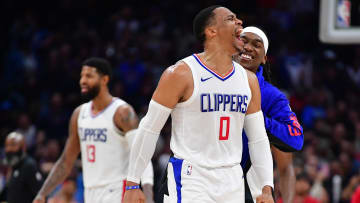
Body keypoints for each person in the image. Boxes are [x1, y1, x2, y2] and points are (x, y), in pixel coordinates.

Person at [124, 6, 274, 203]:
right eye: (230, 19)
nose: (239, 23)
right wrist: (133, 182)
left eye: (238, 19)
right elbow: (149, 128)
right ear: (211, 31)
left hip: (232, 180)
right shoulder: (180, 74)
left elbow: (258, 138)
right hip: (190, 178)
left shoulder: (249, 80)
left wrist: (266, 187)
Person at [33, 57, 154, 203]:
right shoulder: (79, 114)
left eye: (89, 76)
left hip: (117, 190)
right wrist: (43, 193)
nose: (82, 81)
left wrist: (148, 194)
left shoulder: (122, 112)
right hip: (90, 192)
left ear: (104, 79)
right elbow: (66, 161)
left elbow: (141, 155)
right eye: (82, 76)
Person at [233, 26, 304, 203]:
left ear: (264, 58)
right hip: (191, 176)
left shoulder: (271, 96)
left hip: (235, 185)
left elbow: (295, 138)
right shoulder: (205, 78)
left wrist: (256, 119)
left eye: (256, 44)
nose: (248, 47)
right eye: (244, 41)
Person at [0, 132, 43, 203]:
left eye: (13, 145)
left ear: (23, 147)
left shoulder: (29, 166)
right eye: (7, 145)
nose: (9, 149)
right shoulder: (13, 166)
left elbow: (40, 194)